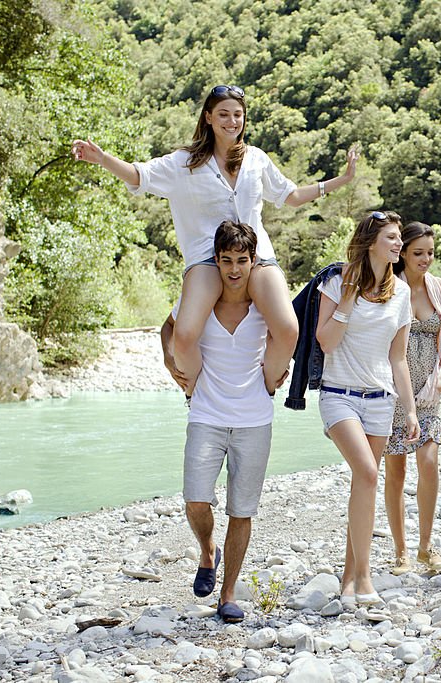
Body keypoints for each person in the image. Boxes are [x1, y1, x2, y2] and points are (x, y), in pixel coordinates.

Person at [73, 84, 359, 398]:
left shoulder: (255, 159)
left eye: (238, 115)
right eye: (223, 114)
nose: (231, 121)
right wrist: (102, 159)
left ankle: (264, 389)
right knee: (183, 337)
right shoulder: (185, 162)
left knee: (289, 329)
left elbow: (290, 196)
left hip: (257, 256)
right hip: (207, 259)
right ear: (208, 117)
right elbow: (139, 176)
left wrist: (342, 179)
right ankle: (196, 394)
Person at [160, 220, 282, 623]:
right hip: (206, 414)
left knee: (241, 510)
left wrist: (277, 373)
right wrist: (169, 361)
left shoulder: (264, 304)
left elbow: (287, 337)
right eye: (226, 260)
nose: (234, 269)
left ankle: (228, 593)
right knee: (195, 499)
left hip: (254, 418)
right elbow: (169, 327)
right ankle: (207, 548)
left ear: (253, 261)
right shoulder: (202, 300)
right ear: (216, 260)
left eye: (242, 260)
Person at [315, 210, 420, 606]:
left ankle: (347, 579)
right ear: (372, 241)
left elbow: (398, 359)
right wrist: (346, 299)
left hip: (381, 400)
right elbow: (325, 341)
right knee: (368, 472)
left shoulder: (403, 293)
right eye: (392, 238)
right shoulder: (337, 281)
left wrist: (408, 410)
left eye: (399, 239)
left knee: (365, 484)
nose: (398, 245)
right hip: (338, 394)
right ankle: (364, 578)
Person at [383, 222, 441, 575]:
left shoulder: (438, 288)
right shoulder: (387, 288)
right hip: (392, 391)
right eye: (418, 253)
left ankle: (426, 547)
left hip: (428, 391)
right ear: (402, 254)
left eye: (430, 252)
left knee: (428, 463)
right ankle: (401, 552)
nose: (426, 259)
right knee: (395, 471)